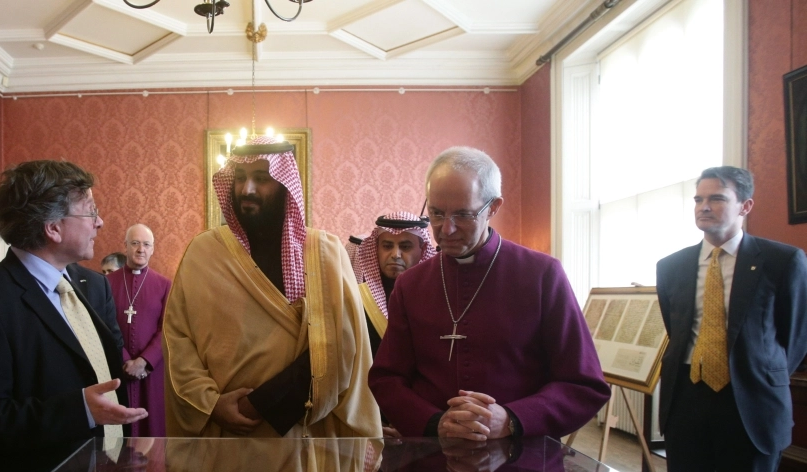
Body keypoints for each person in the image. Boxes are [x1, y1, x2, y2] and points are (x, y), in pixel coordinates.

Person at [0, 160, 146, 472]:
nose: (100, 223)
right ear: (53, 228)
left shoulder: (90, 285)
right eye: (90, 212)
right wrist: (78, 411)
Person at [369, 147, 609, 441]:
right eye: (436, 213)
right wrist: (435, 423)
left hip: (521, 458)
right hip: (430, 460)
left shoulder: (542, 275)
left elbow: (583, 384)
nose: (447, 229)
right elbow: (386, 378)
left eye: (463, 215)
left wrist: (511, 419)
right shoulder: (411, 285)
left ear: (493, 207)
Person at [164, 136, 381, 439]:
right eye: (240, 178)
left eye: (261, 178)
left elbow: (341, 344)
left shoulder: (325, 251)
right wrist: (210, 403)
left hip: (302, 434)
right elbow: (178, 338)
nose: (247, 189)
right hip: (222, 438)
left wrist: (261, 406)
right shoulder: (203, 252)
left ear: (284, 184)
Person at [657, 166, 807, 472]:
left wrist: (757, 372)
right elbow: (677, 332)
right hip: (687, 401)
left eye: (717, 198)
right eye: (698, 199)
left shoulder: (782, 261)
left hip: (752, 405)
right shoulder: (671, 267)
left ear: (745, 205)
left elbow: (796, 336)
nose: (704, 207)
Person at [108, 223, 171, 436]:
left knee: (152, 430)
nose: (140, 249)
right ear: (125, 247)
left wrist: (144, 361)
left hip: (151, 373)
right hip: (118, 370)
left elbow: (168, 329)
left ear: (152, 249)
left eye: (146, 244)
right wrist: (126, 360)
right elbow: (105, 326)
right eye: (134, 243)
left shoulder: (164, 285)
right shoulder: (106, 283)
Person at [351, 212, 435, 357]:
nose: (395, 254)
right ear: (376, 249)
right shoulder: (362, 296)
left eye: (406, 247)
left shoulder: (435, 294)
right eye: (387, 246)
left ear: (422, 250)